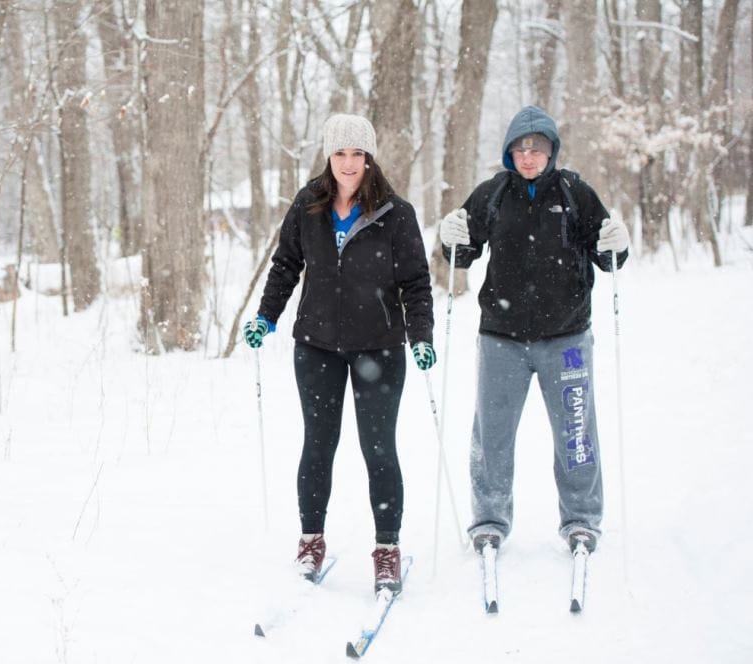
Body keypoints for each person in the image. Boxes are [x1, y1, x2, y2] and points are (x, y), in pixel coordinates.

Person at [242, 114, 436, 595]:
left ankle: (387, 550)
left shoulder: (396, 212)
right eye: (340, 153)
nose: (349, 163)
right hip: (317, 346)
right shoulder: (308, 205)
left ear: (370, 158)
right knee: (319, 443)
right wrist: (265, 317)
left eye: (358, 154)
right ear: (328, 157)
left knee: (378, 448)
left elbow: (415, 282)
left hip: (381, 349)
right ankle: (311, 541)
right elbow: (286, 265)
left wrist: (422, 336)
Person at [438, 105, 629, 556]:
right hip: (501, 338)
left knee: (576, 434)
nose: (528, 156)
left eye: (537, 149)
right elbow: (460, 257)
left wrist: (617, 245)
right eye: (520, 149)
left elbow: (608, 259)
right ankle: (489, 519)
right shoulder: (493, 193)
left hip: (567, 338)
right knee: (493, 436)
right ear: (509, 153)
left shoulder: (575, 192)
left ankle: (581, 518)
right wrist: (449, 238)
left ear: (551, 152)